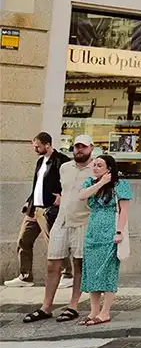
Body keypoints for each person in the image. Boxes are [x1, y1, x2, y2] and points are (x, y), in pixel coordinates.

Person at [24, 135, 94, 323]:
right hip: (62, 220)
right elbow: (60, 189)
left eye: (83, 147)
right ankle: (46, 307)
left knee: (78, 264)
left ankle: (73, 305)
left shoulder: (96, 169)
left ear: (91, 148)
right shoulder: (65, 167)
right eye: (77, 146)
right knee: (52, 263)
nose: (79, 150)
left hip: (83, 221)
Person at [5, 132, 68, 288]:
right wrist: (29, 201)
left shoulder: (62, 161)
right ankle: (25, 277)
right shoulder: (40, 161)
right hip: (34, 209)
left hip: (49, 209)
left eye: (37, 146)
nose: (35, 150)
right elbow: (38, 185)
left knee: (55, 244)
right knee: (23, 241)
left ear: (47, 144)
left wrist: (63, 197)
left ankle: (67, 274)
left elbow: (71, 183)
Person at [78, 154, 132, 325]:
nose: (95, 168)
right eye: (94, 165)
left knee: (108, 272)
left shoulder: (120, 185)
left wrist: (119, 232)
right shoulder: (91, 183)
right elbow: (81, 196)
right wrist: (101, 182)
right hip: (93, 233)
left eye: (99, 166)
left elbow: (124, 210)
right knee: (92, 272)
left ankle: (105, 311)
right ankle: (94, 311)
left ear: (109, 168)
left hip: (110, 233)